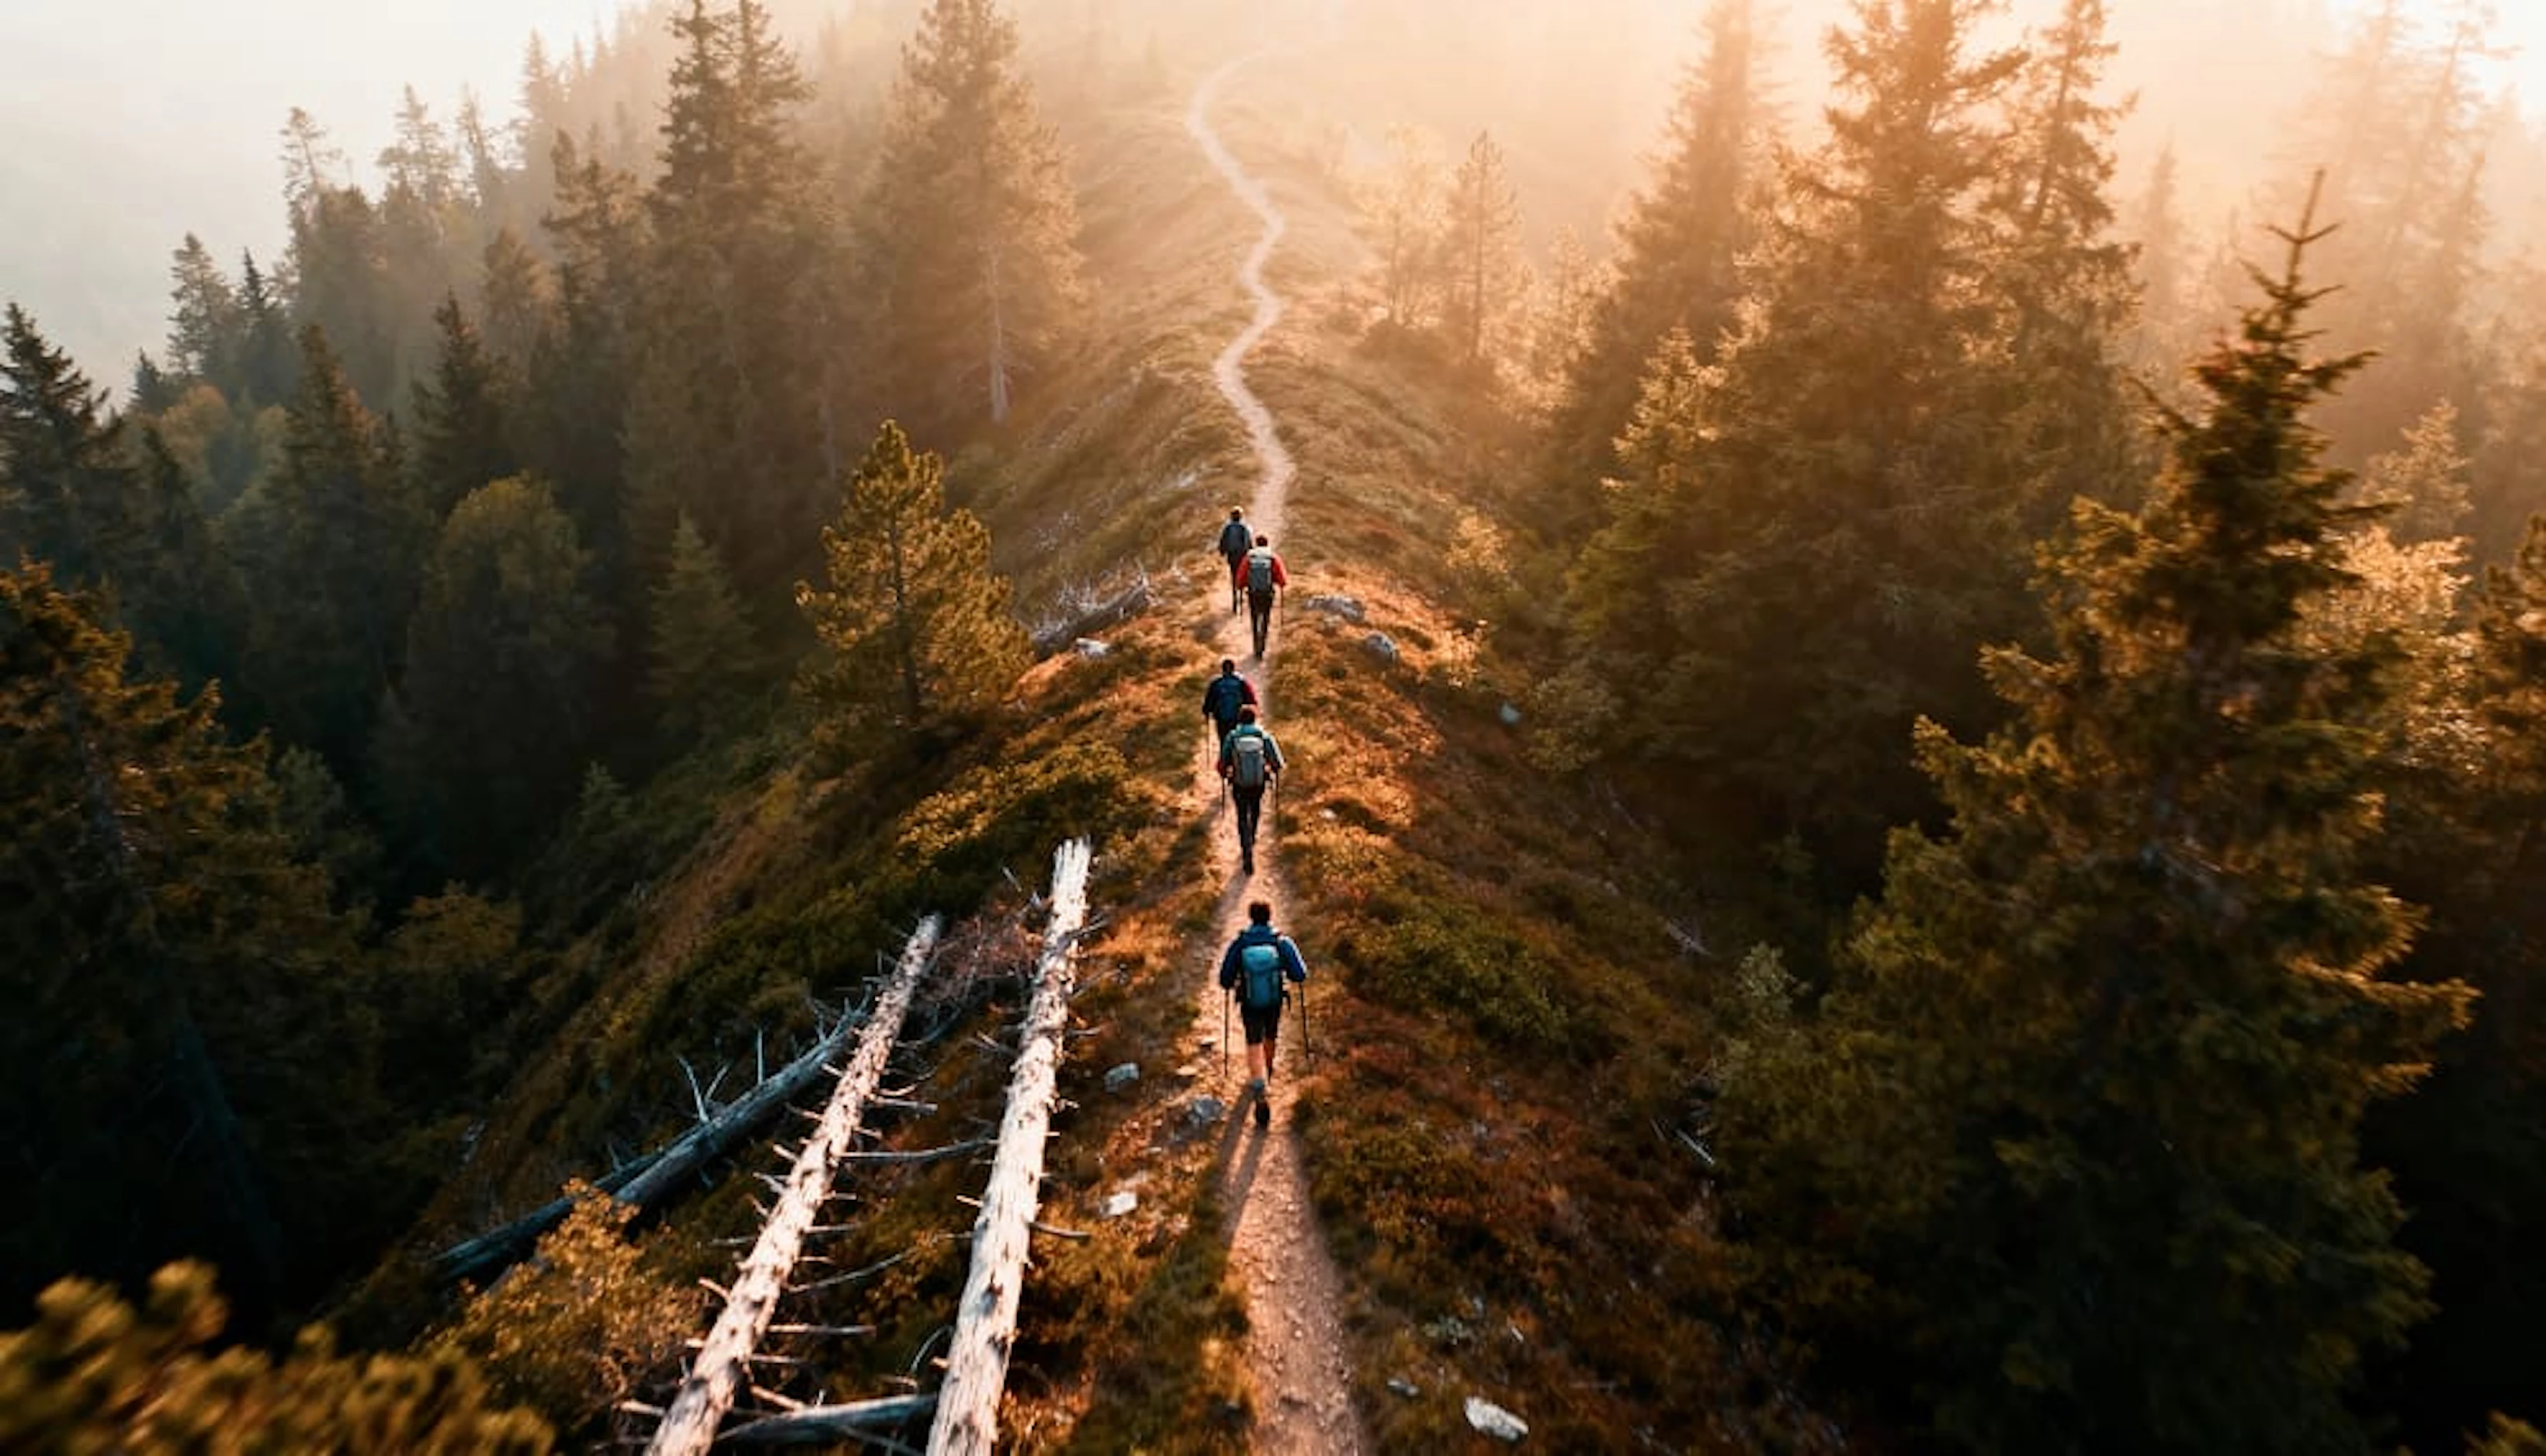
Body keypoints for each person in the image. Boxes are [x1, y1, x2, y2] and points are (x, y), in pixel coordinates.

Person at [1219, 899, 1309, 1127]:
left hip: (1250, 1002)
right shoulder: (1281, 942)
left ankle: (1258, 1084)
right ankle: (1268, 1070)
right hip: (1273, 1000)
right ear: (1270, 916)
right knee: (1270, 1035)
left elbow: (1224, 979)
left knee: (1253, 1040)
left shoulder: (1241, 943)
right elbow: (1300, 974)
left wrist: (1235, 981)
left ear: (1251, 917)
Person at [1216, 705, 1283, 875]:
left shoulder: (1232, 736)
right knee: (1255, 810)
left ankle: (1246, 850)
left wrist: (1225, 773)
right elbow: (1277, 762)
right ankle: (1252, 839)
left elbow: (1222, 763)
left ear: (1239, 719)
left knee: (1241, 816)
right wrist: (1272, 770)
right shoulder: (1263, 736)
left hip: (1239, 783)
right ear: (1255, 719)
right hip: (1257, 783)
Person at [1236, 533, 1289, 657]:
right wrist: (1281, 584)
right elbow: (1281, 577)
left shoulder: (1249, 557)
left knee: (1254, 618)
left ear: (1256, 544)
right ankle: (1263, 644)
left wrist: (1240, 585)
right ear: (1267, 544)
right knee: (1266, 617)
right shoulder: (1272, 557)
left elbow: (1241, 575)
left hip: (1253, 592)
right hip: (1267, 592)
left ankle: (1256, 645)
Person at [1201, 657, 1257, 744]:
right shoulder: (1240, 681)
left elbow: (1209, 701)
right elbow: (1250, 699)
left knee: (1224, 739)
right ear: (1233, 668)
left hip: (1221, 718)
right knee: (1237, 739)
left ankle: (1224, 751)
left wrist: (1207, 711)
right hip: (1238, 717)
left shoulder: (1216, 683)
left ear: (1222, 669)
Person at [1215, 508, 1253, 614]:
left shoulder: (1227, 527)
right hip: (1243, 556)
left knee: (1234, 575)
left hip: (1232, 556)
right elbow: (1248, 542)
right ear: (1241, 516)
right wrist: (1250, 553)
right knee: (1244, 575)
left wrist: (1222, 552)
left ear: (1231, 516)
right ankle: (1242, 594)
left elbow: (1222, 541)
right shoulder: (1245, 527)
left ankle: (1235, 597)